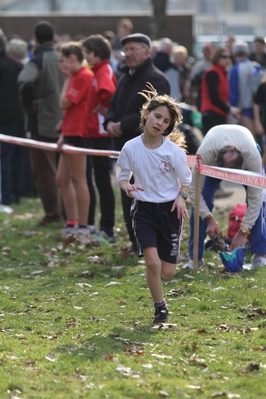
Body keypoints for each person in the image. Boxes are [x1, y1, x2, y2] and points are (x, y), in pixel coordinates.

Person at [116, 84, 191, 324]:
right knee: (152, 263)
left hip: (169, 210)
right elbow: (122, 176)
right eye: (157, 116)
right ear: (146, 114)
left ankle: (161, 291)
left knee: (167, 271)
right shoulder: (130, 147)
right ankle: (160, 308)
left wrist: (182, 197)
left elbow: (186, 181)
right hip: (144, 209)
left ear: (169, 127)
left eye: (166, 121)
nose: (160, 123)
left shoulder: (173, 153)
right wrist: (127, 186)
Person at [104, 33, 170, 252]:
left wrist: (122, 124)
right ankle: (135, 242)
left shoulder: (157, 79)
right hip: (124, 147)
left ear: (147, 51)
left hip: (147, 147)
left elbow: (154, 114)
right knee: (127, 192)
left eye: (134, 49)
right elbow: (113, 105)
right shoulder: (125, 77)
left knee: (146, 195)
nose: (129, 54)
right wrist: (110, 122)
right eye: (126, 50)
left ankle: (150, 243)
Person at [183, 124, 266, 270]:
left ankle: (260, 254)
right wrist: (209, 219)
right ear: (216, 159)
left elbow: (256, 200)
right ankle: (195, 258)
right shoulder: (205, 154)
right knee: (202, 201)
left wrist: (243, 233)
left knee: (261, 200)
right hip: (212, 163)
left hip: (247, 147)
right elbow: (194, 193)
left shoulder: (251, 157)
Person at [18, 20, 64, 225]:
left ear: (35, 39)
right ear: (54, 38)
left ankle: (53, 213)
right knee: (68, 174)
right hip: (67, 124)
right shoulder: (65, 58)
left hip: (43, 124)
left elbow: (24, 81)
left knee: (45, 173)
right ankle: (69, 214)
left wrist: (32, 105)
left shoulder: (37, 60)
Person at [56, 42, 93, 236]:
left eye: (62, 60)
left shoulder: (82, 77)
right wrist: (63, 132)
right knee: (62, 179)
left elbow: (64, 102)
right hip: (70, 131)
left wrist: (66, 79)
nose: (60, 65)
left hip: (79, 132)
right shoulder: (76, 76)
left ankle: (84, 226)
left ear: (72, 58)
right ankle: (71, 222)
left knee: (79, 179)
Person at [82, 34, 117, 242]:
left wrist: (103, 108)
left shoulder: (103, 70)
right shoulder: (96, 70)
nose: (85, 56)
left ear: (98, 53)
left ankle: (108, 228)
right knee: (97, 180)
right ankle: (97, 225)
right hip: (93, 131)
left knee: (102, 181)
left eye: (88, 52)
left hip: (100, 133)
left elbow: (109, 91)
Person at [0, 36, 25, 205]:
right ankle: (15, 194)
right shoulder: (17, 67)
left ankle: (6, 196)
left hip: (4, 118)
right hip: (16, 117)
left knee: (4, 159)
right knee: (14, 157)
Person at [201, 47, 240, 134]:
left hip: (220, 114)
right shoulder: (212, 73)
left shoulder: (223, 73)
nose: (227, 59)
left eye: (229, 57)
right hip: (212, 114)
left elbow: (223, 97)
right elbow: (214, 97)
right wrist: (229, 109)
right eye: (224, 57)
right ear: (217, 57)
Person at [229, 40, 256, 136]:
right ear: (247, 53)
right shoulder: (256, 67)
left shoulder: (235, 70)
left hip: (243, 111)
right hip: (259, 111)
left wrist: (233, 109)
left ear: (233, 53)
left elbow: (234, 93)